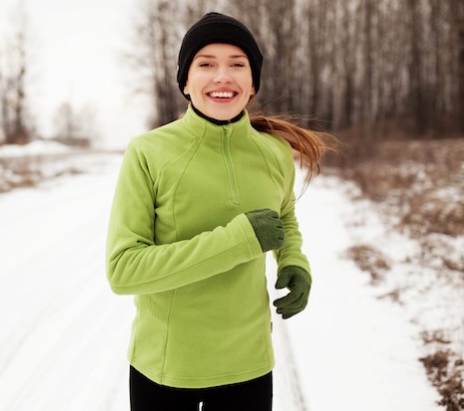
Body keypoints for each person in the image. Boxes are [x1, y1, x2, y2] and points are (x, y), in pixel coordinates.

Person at [106, 12, 334, 411]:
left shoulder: (274, 152)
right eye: (206, 64)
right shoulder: (149, 152)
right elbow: (124, 270)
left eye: (237, 64)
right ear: (186, 82)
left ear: (252, 83)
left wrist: (293, 260)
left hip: (249, 364)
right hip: (166, 366)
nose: (222, 76)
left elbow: (283, 217)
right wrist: (239, 240)